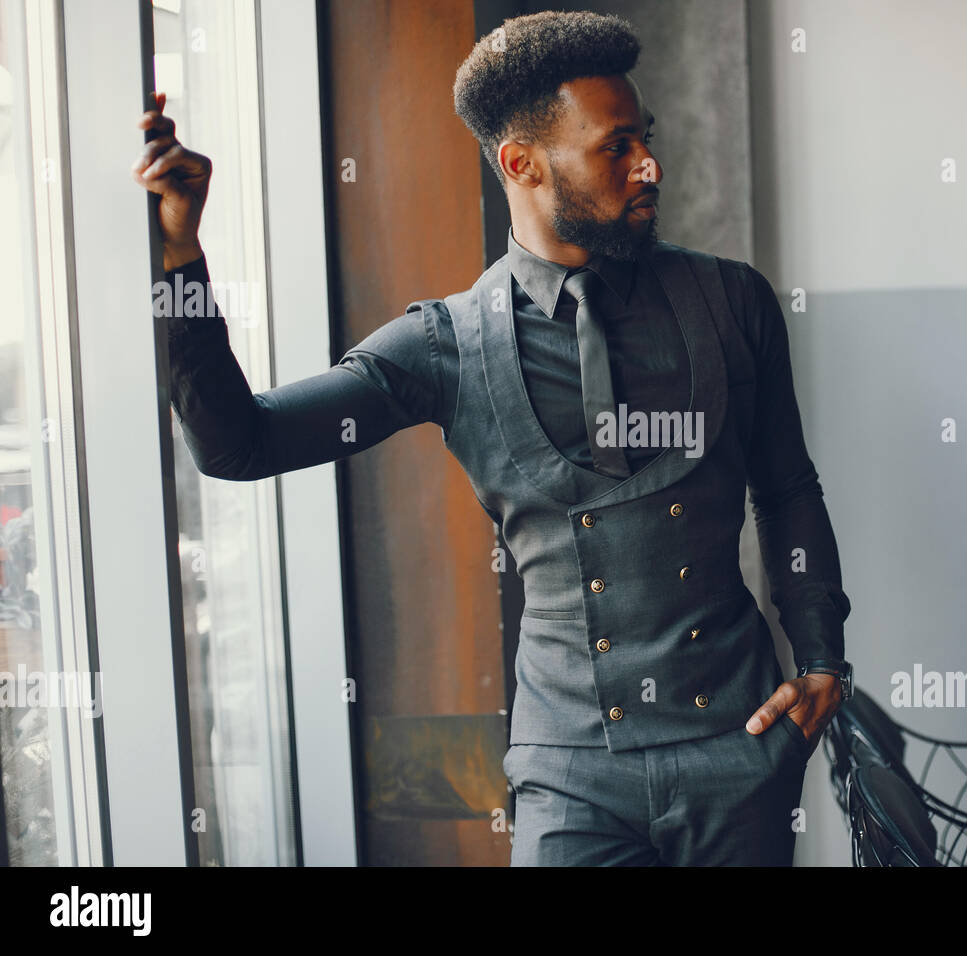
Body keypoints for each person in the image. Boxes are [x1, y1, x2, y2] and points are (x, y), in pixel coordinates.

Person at [131, 9, 852, 866]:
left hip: (740, 751)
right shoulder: (445, 346)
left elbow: (787, 488)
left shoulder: (736, 302)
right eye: (615, 147)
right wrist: (181, 252)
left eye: (645, 138)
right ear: (521, 164)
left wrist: (821, 658)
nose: (650, 164)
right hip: (570, 775)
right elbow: (238, 445)